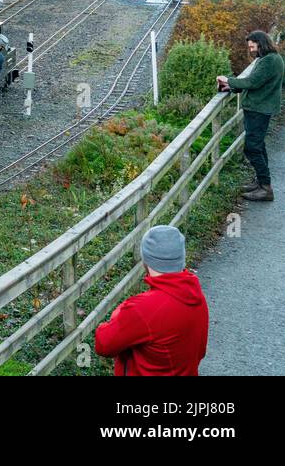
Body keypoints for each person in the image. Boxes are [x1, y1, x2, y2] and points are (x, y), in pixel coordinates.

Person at [93, 225, 208, 376]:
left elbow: (103, 344)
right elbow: (199, 351)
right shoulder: (196, 296)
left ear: (145, 261)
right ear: (181, 259)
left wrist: (120, 312)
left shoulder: (142, 309)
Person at [217, 30, 282, 202]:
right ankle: (261, 182)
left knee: (252, 148)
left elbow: (252, 82)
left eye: (253, 46)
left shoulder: (269, 61)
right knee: (258, 146)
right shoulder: (271, 59)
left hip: (259, 109)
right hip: (260, 107)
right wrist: (233, 88)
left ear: (261, 44)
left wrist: (228, 80)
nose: (251, 50)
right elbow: (257, 81)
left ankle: (266, 188)